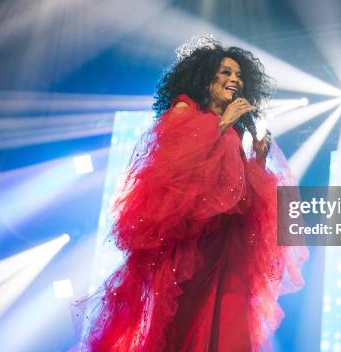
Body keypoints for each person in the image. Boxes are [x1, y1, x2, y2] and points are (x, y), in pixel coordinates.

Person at [75, 37, 308, 351]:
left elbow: (238, 194)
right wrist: (222, 124)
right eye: (225, 73)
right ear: (205, 77)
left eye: (239, 76)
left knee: (229, 326)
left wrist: (257, 158)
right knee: (185, 326)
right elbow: (175, 176)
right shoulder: (185, 109)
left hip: (228, 247)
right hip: (192, 249)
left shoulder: (234, 130)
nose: (234, 80)